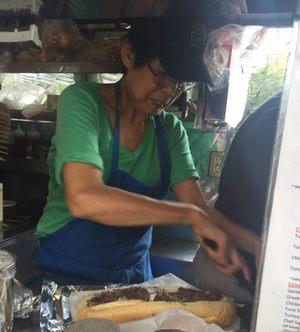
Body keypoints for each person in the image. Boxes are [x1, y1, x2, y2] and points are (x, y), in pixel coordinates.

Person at [36, 19, 257, 285]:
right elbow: (84, 197)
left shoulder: (170, 130)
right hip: (67, 276)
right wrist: (188, 215)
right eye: (163, 74)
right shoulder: (82, 102)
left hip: (133, 281)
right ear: (128, 54)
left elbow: (198, 206)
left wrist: (255, 245)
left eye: (179, 82)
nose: (169, 91)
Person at [192, 93, 281, 302]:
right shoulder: (280, 119)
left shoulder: (276, 109)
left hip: (240, 265)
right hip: (234, 273)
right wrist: (256, 244)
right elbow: (194, 205)